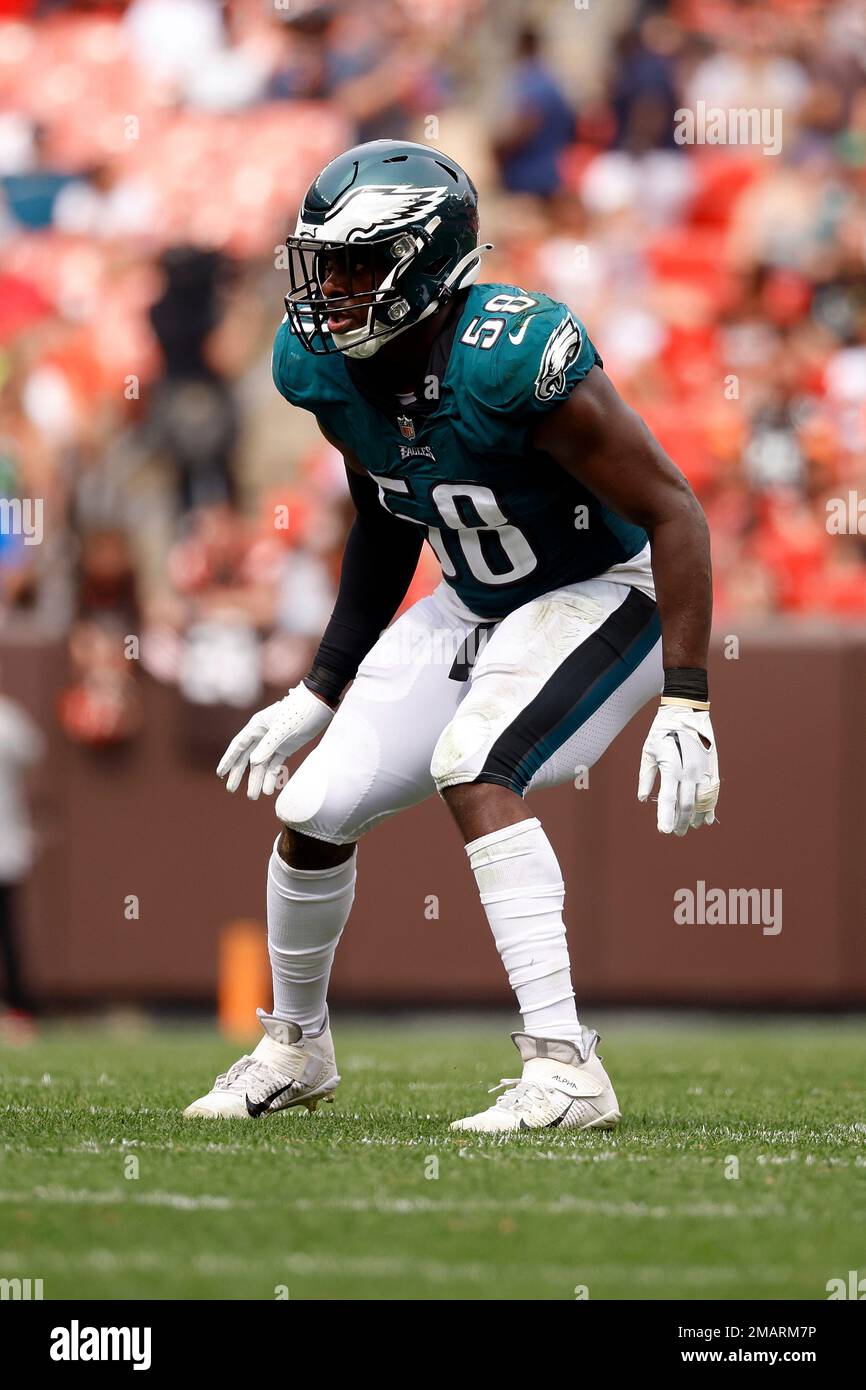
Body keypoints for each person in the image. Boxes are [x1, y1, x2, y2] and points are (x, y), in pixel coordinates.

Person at [184, 141, 718, 1133]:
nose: (330, 289)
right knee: (314, 804)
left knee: (472, 762)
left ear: (424, 265)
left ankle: (564, 1067)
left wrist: (686, 693)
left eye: (356, 264)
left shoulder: (514, 356)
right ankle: (294, 1046)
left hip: (602, 588)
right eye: (323, 263)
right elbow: (386, 511)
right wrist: (321, 685)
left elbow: (674, 511)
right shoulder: (323, 368)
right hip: (475, 602)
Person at [0, 685, 45, 1033]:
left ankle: (18, 1007)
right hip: (9, 843)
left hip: (6, 844)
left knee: (10, 933)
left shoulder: (8, 718)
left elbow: (34, 750)